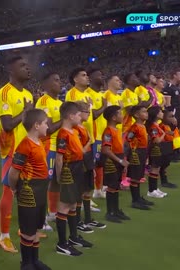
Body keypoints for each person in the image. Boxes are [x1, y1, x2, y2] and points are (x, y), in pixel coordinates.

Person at [0, 55, 33, 253]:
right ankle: (3, 237)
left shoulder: (28, 93)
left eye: (27, 65)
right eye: (22, 66)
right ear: (11, 71)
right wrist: (26, 112)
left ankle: (24, 229)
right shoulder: (4, 93)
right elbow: (7, 125)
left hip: (27, 148)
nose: (27, 69)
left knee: (25, 190)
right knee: (9, 192)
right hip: (11, 149)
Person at [8, 109, 51, 270]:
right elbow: (13, 172)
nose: (48, 126)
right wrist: (14, 189)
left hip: (40, 190)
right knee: (27, 229)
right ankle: (26, 263)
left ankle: (35, 261)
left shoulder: (39, 142)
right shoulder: (25, 145)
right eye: (45, 123)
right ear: (36, 125)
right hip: (29, 190)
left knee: (37, 227)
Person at [54, 102, 93, 257]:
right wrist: (59, 177)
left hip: (77, 169)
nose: (80, 117)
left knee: (72, 205)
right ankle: (61, 244)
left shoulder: (73, 131)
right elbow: (59, 158)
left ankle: (73, 237)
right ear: (71, 116)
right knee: (64, 206)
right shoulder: (63, 133)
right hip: (69, 170)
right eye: (78, 114)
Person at [35, 72, 63, 225]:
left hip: (59, 147)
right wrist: (64, 118)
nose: (60, 83)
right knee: (44, 183)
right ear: (47, 85)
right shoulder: (44, 101)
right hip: (47, 146)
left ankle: (52, 212)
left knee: (56, 181)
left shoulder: (58, 103)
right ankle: (42, 218)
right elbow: (48, 129)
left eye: (59, 80)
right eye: (56, 80)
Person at [74, 101, 106, 232]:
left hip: (87, 160)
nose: (89, 114)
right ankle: (77, 221)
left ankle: (88, 218)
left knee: (87, 190)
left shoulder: (84, 128)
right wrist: (88, 144)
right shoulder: (75, 129)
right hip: (79, 162)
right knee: (79, 192)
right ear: (78, 113)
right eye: (87, 111)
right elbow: (79, 149)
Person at [101, 105, 130, 223]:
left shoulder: (117, 130)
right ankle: (110, 212)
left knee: (116, 186)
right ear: (113, 117)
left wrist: (123, 160)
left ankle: (116, 210)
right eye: (119, 114)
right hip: (111, 162)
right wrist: (119, 161)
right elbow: (106, 150)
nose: (122, 116)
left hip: (118, 159)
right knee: (112, 186)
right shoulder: (108, 131)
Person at [124, 106, 154, 210]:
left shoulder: (143, 126)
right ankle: (135, 200)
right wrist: (130, 154)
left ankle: (138, 198)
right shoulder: (135, 127)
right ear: (137, 115)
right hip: (136, 153)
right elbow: (128, 139)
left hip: (142, 152)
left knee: (139, 176)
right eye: (144, 112)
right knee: (135, 176)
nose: (147, 113)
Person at [85, 68, 107, 200]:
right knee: (92, 165)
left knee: (100, 164)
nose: (102, 77)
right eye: (99, 75)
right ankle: (89, 194)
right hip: (93, 136)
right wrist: (104, 106)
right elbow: (92, 115)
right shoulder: (88, 94)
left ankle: (98, 190)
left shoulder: (100, 95)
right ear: (91, 78)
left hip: (102, 135)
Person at [145, 106, 167, 198]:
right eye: (160, 112)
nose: (162, 113)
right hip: (154, 150)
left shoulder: (155, 124)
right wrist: (163, 134)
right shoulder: (153, 126)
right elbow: (156, 140)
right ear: (156, 114)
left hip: (158, 150)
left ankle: (155, 188)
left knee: (156, 169)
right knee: (154, 169)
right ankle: (151, 190)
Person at [159, 109, 178, 188]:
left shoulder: (168, 125)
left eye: (173, 116)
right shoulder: (161, 125)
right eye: (170, 117)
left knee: (166, 165)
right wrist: (167, 133)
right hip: (163, 147)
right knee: (162, 166)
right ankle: (163, 181)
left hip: (169, 146)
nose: (172, 118)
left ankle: (165, 181)